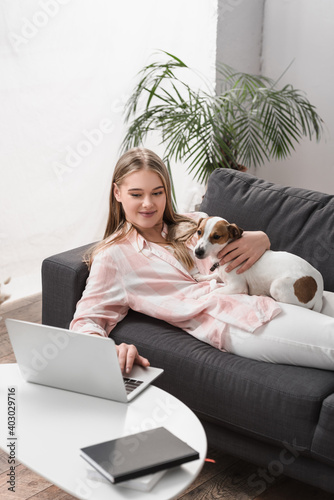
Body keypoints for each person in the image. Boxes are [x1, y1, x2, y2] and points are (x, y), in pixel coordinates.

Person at [70, 148, 334, 373]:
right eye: (136, 194)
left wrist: (262, 238)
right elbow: (86, 320)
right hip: (235, 319)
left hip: (266, 290)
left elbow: (243, 249)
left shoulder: (196, 223)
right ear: (117, 193)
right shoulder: (114, 256)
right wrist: (111, 350)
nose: (148, 204)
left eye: (157, 193)